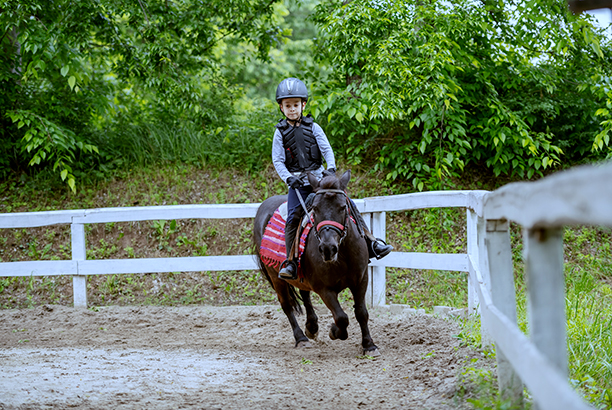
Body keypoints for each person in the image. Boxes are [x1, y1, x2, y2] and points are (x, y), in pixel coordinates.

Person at [272, 77, 393, 280]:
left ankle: (372, 243)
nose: (292, 109)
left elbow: (326, 149)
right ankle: (291, 261)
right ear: (281, 108)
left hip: (319, 180)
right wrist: (287, 178)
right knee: (293, 218)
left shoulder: (314, 127)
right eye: (287, 105)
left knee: (347, 204)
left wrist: (331, 168)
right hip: (298, 183)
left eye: (295, 104)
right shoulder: (279, 133)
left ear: (303, 105)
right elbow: (278, 160)